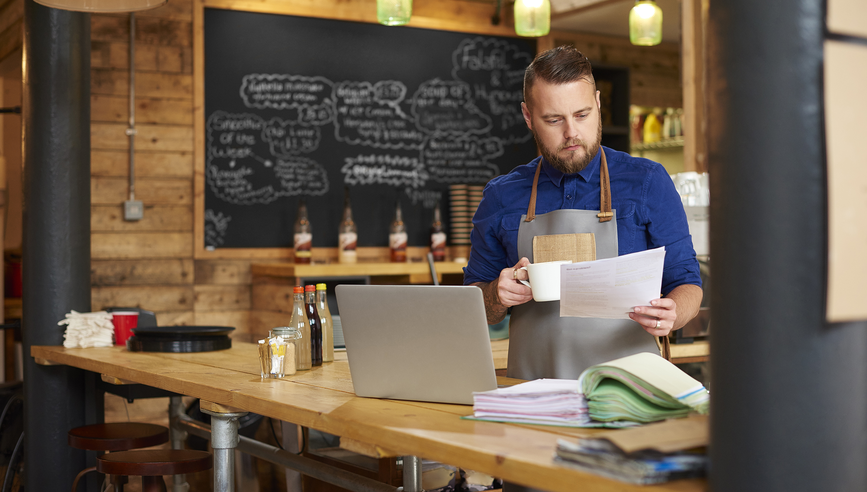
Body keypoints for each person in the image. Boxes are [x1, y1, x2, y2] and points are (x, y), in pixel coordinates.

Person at [464, 46, 703, 381]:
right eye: (553, 119)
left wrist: (673, 313)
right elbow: (475, 306)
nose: (571, 132)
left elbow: (688, 283)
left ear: (599, 104)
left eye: (582, 114)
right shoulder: (501, 195)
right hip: (533, 393)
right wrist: (495, 295)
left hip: (629, 392)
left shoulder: (648, 182)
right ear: (528, 116)